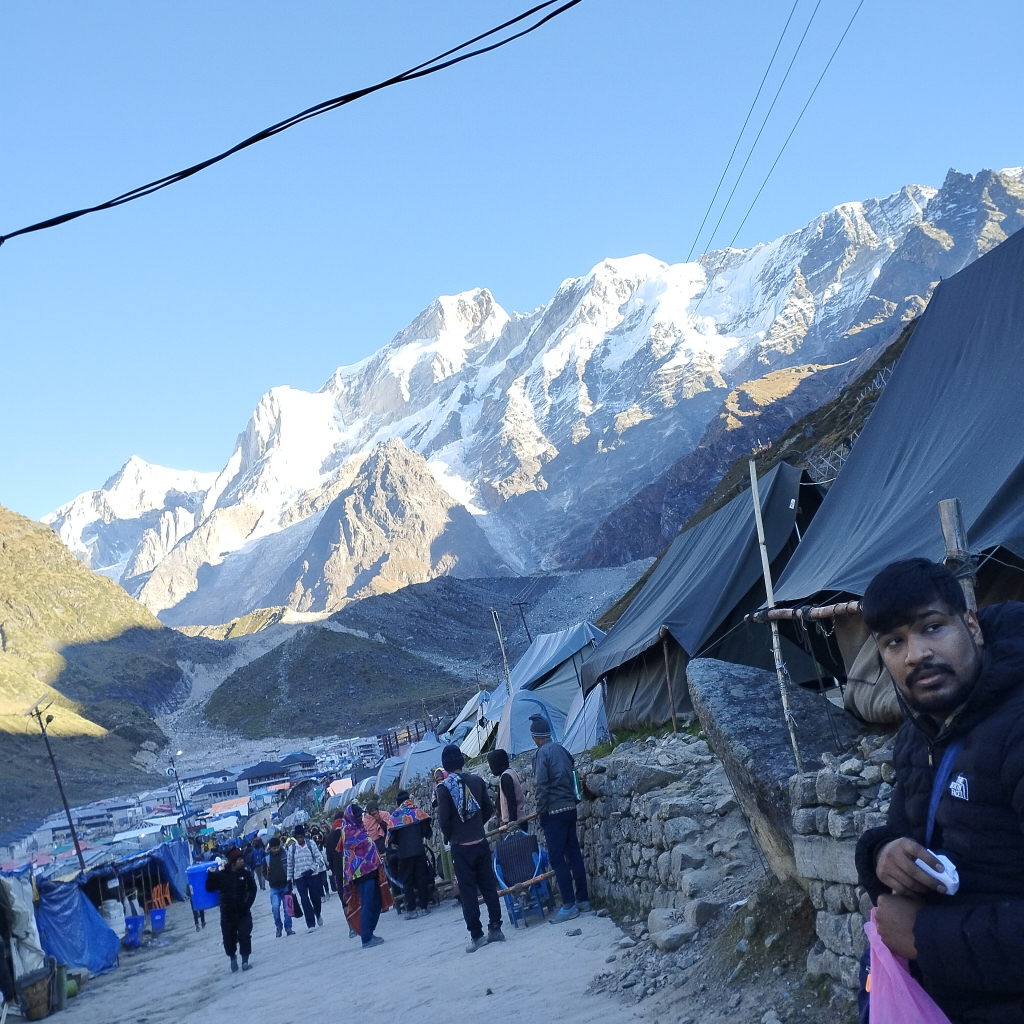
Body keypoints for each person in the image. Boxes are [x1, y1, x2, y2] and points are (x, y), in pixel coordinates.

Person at [855, 558, 1024, 1024]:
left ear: (971, 624)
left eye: (932, 627)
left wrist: (925, 937)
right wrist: (882, 853)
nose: (915, 655)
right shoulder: (920, 730)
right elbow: (901, 829)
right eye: (894, 642)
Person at [436, 744, 504, 952]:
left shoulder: (443, 788)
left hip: (461, 847)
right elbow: (488, 808)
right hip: (480, 841)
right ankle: (496, 928)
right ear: (462, 762)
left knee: (468, 893)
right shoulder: (476, 781)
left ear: (445, 766)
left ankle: (477, 935)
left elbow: (444, 820)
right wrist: (477, 827)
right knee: (488, 887)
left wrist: (453, 835)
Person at [531, 715, 589, 921]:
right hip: (570, 808)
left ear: (535, 737)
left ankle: (569, 904)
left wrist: (541, 810)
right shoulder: (561, 750)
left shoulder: (541, 754)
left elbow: (541, 786)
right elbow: (573, 771)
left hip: (553, 812)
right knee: (573, 853)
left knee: (556, 857)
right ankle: (583, 899)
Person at [205, 847, 258, 973]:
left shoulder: (246, 875)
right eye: (239, 859)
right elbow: (210, 888)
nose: (242, 861)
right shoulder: (222, 875)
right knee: (229, 938)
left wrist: (247, 904)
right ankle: (232, 957)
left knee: (245, 936)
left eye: (242, 859)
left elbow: (253, 889)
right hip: (227, 913)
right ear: (232, 861)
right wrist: (211, 874)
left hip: (243, 912)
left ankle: (245, 961)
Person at [341, 804, 386, 948]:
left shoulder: (360, 828)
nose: (360, 818)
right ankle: (366, 937)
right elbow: (364, 845)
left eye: (361, 815)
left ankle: (369, 932)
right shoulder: (348, 832)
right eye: (358, 816)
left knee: (376, 902)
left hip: (370, 871)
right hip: (360, 874)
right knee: (367, 903)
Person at [388, 790, 433, 919]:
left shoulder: (396, 816)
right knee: (421, 878)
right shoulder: (417, 812)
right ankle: (424, 907)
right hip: (419, 851)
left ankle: (412, 910)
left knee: (407, 881)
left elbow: (392, 837)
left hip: (404, 855)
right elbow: (426, 830)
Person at [287, 824, 325, 931]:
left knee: (316, 898)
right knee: (304, 900)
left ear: (304, 836)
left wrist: (312, 869)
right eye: (298, 837)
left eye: (301, 837)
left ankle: (317, 914)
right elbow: (290, 865)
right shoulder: (292, 849)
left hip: (312, 875)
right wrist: (289, 880)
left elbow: (319, 858)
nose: (300, 839)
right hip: (299, 878)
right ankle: (310, 924)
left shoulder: (311, 844)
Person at [487, 748, 527, 830]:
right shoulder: (510, 772)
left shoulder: (506, 777)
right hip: (519, 819)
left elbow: (511, 801)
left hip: (515, 822)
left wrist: (512, 823)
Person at [263, 836, 294, 938]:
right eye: (273, 848)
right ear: (270, 848)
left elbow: (290, 866)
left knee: (287, 909)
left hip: (285, 886)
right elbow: (264, 872)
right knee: (275, 908)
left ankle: (288, 928)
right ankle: (278, 926)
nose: (276, 850)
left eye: (277, 847)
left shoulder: (286, 854)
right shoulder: (267, 858)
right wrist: (269, 878)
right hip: (274, 887)